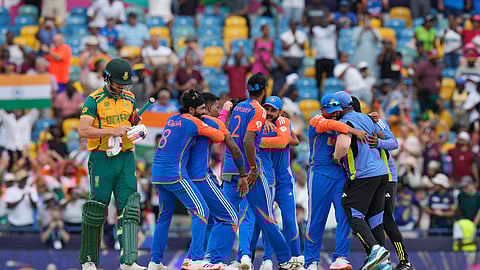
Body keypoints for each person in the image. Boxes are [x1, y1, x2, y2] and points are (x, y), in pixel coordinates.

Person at [222, 72, 302, 269]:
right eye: (267, 108)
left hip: (277, 177)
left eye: (273, 110)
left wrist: (261, 138)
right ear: (264, 92)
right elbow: (281, 140)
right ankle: (249, 257)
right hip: (260, 173)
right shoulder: (258, 117)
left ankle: (290, 257)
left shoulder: (279, 121)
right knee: (254, 217)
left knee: (280, 219)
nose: (270, 112)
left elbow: (290, 140)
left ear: (280, 112)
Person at [78, 58, 147, 270]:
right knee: (97, 209)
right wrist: (112, 130)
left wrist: (138, 127)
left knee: (130, 208)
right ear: (107, 79)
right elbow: (83, 130)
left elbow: (131, 119)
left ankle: (129, 261)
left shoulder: (130, 97)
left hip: (126, 157)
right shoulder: (94, 100)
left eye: (125, 84)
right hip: (102, 158)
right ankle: (88, 260)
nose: (122, 87)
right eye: (118, 83)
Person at [149, 90, 226, 270]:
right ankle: (197, 259)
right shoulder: (194, 122)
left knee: (164, 217)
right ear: (191, 109)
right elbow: (219, 136)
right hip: (174, 174)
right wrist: (215, 119)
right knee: (202, 210)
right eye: (201, 109)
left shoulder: (172, 118)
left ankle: (155, 261)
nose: (204, 112)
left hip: (158, 174)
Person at [181, 92, 248, 268]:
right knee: (231, 216)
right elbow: (233, 148)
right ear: (208, 108)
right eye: (216, 107)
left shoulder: (185, 121)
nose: (219, 110)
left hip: (184, 178)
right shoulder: (208, 122)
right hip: (202, 178)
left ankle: (192, 258)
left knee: (206, 218)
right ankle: (212, 260)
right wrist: (243, 175)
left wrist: (225, 111)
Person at [305, 94, 369, 270]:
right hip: (319, 174)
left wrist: (369, 118)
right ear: (322, 109)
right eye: (330, 111)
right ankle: (311, 261)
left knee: (344, 216)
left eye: (337, 112)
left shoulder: (342, 122)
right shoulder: (316, 120)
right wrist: (353, 130)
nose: (334, 115)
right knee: (316, 219)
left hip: (340, 174)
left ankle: (340, 257)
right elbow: (330, 124)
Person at [352, 97, 414, 270]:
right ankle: (381, 260)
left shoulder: (375, 122)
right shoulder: (351, 126)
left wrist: (378, 141)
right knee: (371, 220)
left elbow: (394, 143)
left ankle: (405, 261)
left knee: (386, 220)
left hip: (387, 178)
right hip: (370, 179)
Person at [330, 91, 390, 270]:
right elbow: (386, 138)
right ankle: (383, 264)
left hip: (363, 174)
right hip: (382, 173)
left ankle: (375, 250)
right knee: (375, 218)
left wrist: (336, 157)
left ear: (341, 108)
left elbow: (343, 145)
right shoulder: (366, 118)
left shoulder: (343, 123)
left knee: (351, 211)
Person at [312, 14, 337, 91]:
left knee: (330, 79)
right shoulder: (316, 29)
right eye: (322, 20)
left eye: (325, 20)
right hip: (319, 58)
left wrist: (332, 20)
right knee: (318, 79)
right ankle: (318, 95)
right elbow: (310, 29)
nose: (324, 22)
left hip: (330, 57)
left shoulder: (332, 28)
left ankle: (329, 94)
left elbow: (338, 26)